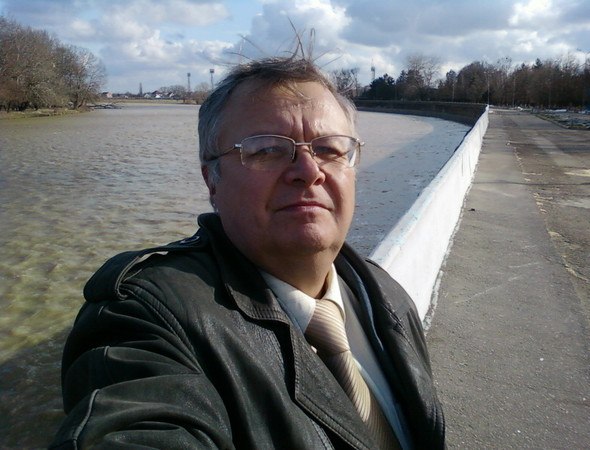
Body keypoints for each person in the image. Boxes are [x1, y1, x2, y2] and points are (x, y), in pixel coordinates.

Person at [51, 55, 444, 449]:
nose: (309, 171)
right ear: (212, 179)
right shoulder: (143, 316)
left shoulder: (385, 294)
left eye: (329, 149)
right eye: (267, 150)